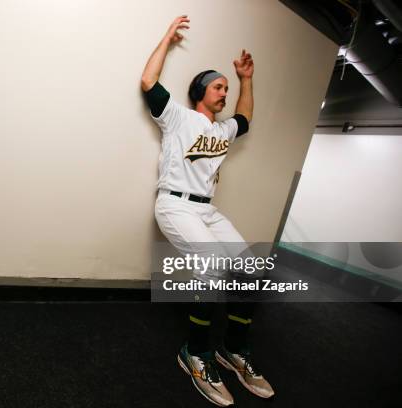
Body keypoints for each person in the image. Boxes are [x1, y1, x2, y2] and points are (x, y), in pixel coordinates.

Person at [141, 15, 274, 407]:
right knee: (214, 266)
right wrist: (166, 38)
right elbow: (148, 82)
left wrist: (246, 79)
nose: (225, 92)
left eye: (227, 88)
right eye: (219, 86)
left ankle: (233, 350)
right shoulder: (178, 117)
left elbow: (245, 118)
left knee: (252, 270)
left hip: (207, 211)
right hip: (175, 204)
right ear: (201, 90)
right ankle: (195, 353)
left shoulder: (222, 131)